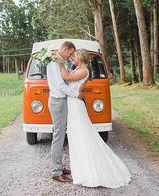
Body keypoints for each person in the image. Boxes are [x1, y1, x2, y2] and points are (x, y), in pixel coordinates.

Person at [59, 49, 131, 188]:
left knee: (82, 136)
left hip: (76, 106)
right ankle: (81, 169)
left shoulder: (84, 70)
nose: (73, 58)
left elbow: (66, 77)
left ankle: (89, 171)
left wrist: (59, 61)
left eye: (75, 56)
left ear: (80, 58)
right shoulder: (78, 68)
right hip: (73, 103)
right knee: (75, 136)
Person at [46, 40, 81, 183]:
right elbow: (61, 86)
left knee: (59, 136)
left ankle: (59, 167)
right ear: (65, 49)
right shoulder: (54, 63)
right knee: (58, 137)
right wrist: (75, 93)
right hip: (58, 102)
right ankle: (56, 172)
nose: (70, 56)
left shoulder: (58, 62)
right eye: (71, 53)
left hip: (58, 102)